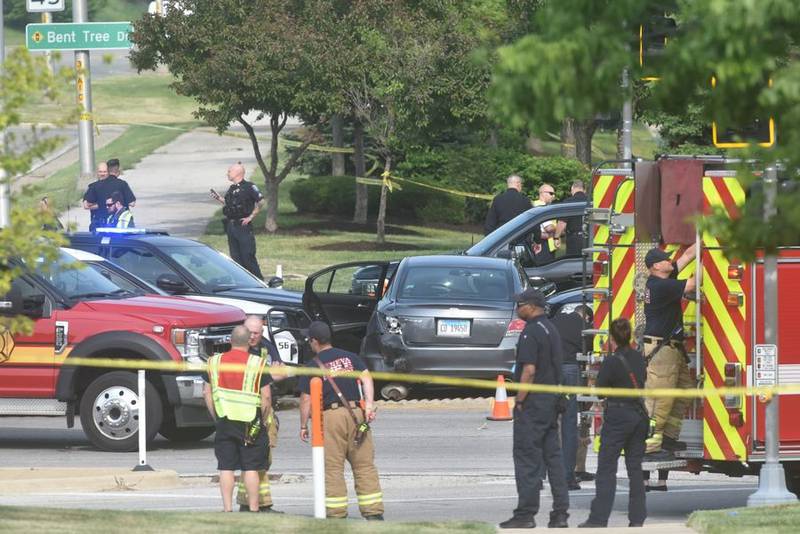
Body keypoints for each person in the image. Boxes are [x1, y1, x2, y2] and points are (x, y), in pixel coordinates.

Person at [298, 321, 383, 520]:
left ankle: (336, 516)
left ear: (314, 341)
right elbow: (366, 377)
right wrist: (369, 405)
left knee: (332, 469)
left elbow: (306, 399)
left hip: (331, 417)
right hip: (357, 414)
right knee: (364, 466)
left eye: (309, 340)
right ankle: (374, 514)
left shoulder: (313, 365)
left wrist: (303, 425)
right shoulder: (350, 357)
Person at [500, 288, 569, 529]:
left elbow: (528, 370)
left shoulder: (530, 332)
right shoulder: (551, 329)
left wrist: (519, 400)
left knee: (527, 460)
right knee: (554, 460)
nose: (518, 309)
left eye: (520, 305)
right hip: (552, 402)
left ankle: (525, 514)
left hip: (533, 406)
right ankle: (561, 514)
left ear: (531, 306)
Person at [579, 318, 648, 528]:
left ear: (611, 339)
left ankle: (599, 518)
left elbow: (600, 391)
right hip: (638, 417)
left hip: (618, 417)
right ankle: (637, 518)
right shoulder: (638, 358)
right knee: (635, 469)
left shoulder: (611, 361)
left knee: (607, 469)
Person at [203, 325, 271, 513]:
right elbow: (266, 397)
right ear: (249, 341)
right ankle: (254, 508)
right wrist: (262, 419)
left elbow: (206, 393)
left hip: (224, 419)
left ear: (230, 341)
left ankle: (227, 509)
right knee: (250, 467)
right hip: (250, 422)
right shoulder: (257, 364)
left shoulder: (213, 362)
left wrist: (216, 416)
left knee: (226, 467)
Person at [642, 245, 698, 460]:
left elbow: (687, 255)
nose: (669, 261)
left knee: (684, 390)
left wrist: (705, 237)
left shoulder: (663, 279)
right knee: (660, 399)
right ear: (656, 266)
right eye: (665, 260)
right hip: (662, 350)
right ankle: (650, 447)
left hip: (671, 348)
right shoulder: (659, 286)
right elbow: (693, 283)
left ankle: (668, 438)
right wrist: (708, 261)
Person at [236, 315, 287, 513]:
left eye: (256, 333)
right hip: (246, 407)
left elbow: (281, 373)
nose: (252, 337)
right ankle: (258, 505)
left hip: (265, 408)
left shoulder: (266, 346)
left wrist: (268, 374)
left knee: (265, 457)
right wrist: (267, 374)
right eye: (249, 332)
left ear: (262, 333)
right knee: (254, 458)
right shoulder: (238, 348)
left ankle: (248, 501)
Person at [550, 304, 592, 491]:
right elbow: (587, 357)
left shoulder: (555, 321)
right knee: (568, 425)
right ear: (587, 317)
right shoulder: (585, 328)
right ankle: (568, 477)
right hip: (569, 371)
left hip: (550, 371)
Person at [211, 163, 264, 279]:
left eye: (229, 171)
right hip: (231, 226)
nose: (227, 173)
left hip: (243, 226)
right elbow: (231, 204)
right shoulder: (232, 188)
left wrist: (251, 216)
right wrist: (219, 199)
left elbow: (261, 201)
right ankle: (243, 281)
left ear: (237, 172)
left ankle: (259, 281)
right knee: (235, 257)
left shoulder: (249, 187)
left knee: (247, 255)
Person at [83, 159, 136, 231]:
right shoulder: (122, 184)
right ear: (118, 172)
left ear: (108, 172)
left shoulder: (95, 186)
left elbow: (86, 205)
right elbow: (132, 203)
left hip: (99, 225)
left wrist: (101, 205)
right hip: (120, 223)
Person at [557, 180, 588, 256]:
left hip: (574, 239)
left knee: (574, 263)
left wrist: (556, 237)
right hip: (589, 238)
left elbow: (562, 223)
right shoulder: (591, 201)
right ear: (584, 190)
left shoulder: (568, 202)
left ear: (572, 188)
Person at [532, 183, 559, 265]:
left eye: (554, 194)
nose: (553, 196)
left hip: (545, 244)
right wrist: (560, 228)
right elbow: (549, 228)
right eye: (551, 193)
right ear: (542, 193)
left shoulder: (536, 205)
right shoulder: (541, 207)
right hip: (542, 245)